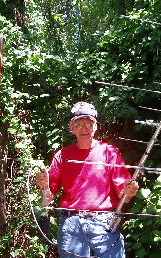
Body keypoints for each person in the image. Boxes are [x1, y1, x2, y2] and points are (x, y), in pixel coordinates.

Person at [36, 101, 139, 258]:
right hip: (71, 225)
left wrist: (129, 192)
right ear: (71, 128)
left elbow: (123, 197)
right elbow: (47, 200)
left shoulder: (109, 152)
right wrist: (44, 187)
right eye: (78, 124)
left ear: (95, 126)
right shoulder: (62, 156)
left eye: (88, 123)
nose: (84, 128)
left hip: (104, 222)